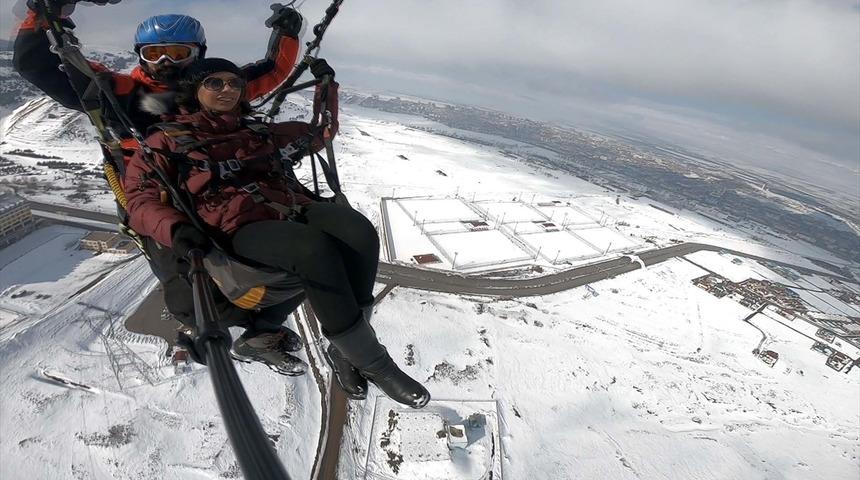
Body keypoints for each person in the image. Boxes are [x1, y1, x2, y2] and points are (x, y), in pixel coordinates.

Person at [12, 0, 312, 372]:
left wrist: (287, 33)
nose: (166, 63)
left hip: (214, 192)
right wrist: (45, 16)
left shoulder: (213, 85)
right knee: (182, 270)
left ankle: (260, 330)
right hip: (156, 198)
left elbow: (271, 70)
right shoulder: (117, 92)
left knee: (285, 256)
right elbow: (35, 65)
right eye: (155, 54)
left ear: (198, 54)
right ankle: (204, 326)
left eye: (177, 53)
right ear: (140, 56)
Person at [123, 58, 431, 408]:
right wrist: (176, 229)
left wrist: (326, 88)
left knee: (358, 231)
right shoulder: (166, 141)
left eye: (234, 83)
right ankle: (375, 363)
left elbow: (320, 133)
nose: (227, 90)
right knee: (312, 249)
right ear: (194, 90)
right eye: (215, 83)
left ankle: (345, 351)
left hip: (287, 207)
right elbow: (139, 200)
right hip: (234, 228)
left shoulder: (259, 131)